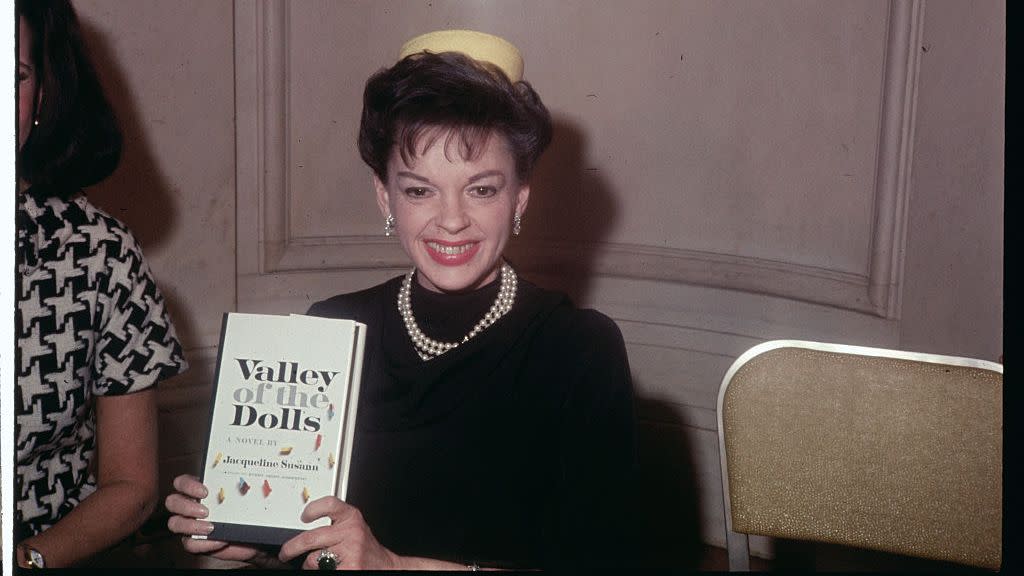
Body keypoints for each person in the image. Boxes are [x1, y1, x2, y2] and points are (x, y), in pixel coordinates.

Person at [166, 29, 637, 570]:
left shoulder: (578, 349)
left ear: (519, 199)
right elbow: (315, 548)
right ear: (384, 195)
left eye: (481, 188)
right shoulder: (332, 329)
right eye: (419, 190)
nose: (452, 219)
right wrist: (246, 538)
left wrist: (394, 566)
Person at [14, 0, 188, 568]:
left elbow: (131, 486)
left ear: (41, 96)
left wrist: (24, 563)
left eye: (12, 76)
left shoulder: (98, 251)